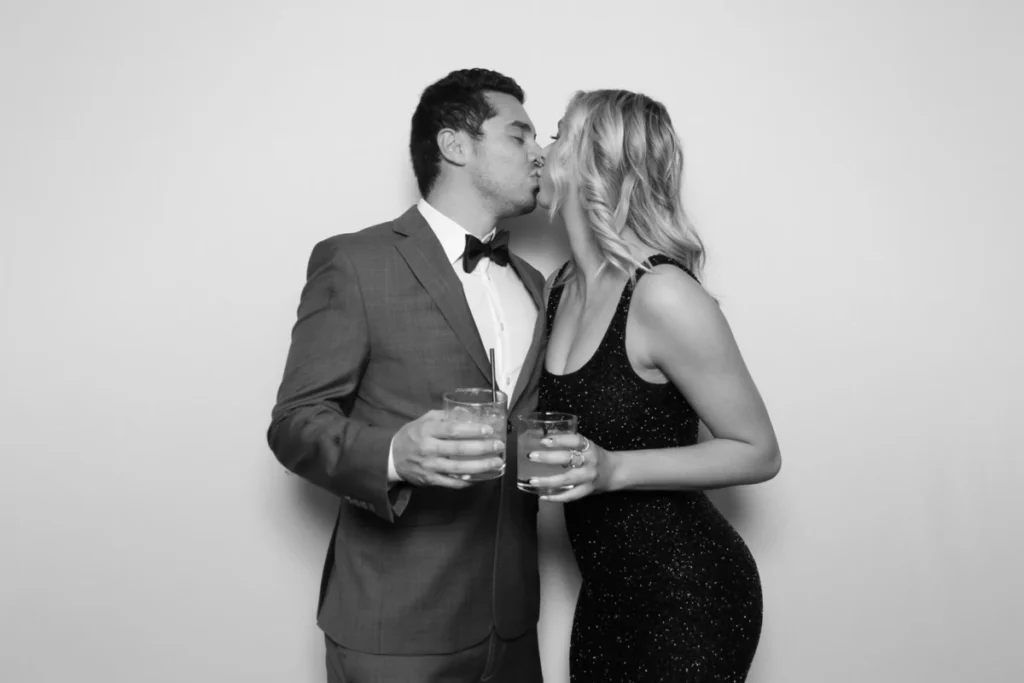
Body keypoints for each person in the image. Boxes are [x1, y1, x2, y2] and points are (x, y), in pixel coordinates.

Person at [267, 68, 547, 683]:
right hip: (395, 625)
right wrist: (394, 454)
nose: (539, 153)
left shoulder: (534, 282)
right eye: (520, 135)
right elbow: (294, 423)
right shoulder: (356, 261)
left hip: (513, 624)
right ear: (455, 145)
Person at [527, 90, 782, 681]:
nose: (541, 151)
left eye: (558, 134)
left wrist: (615, 469)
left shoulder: (661, 293)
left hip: (688, 595)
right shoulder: (558, 288)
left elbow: (758, 451)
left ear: (598, 159)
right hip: (606, 595)